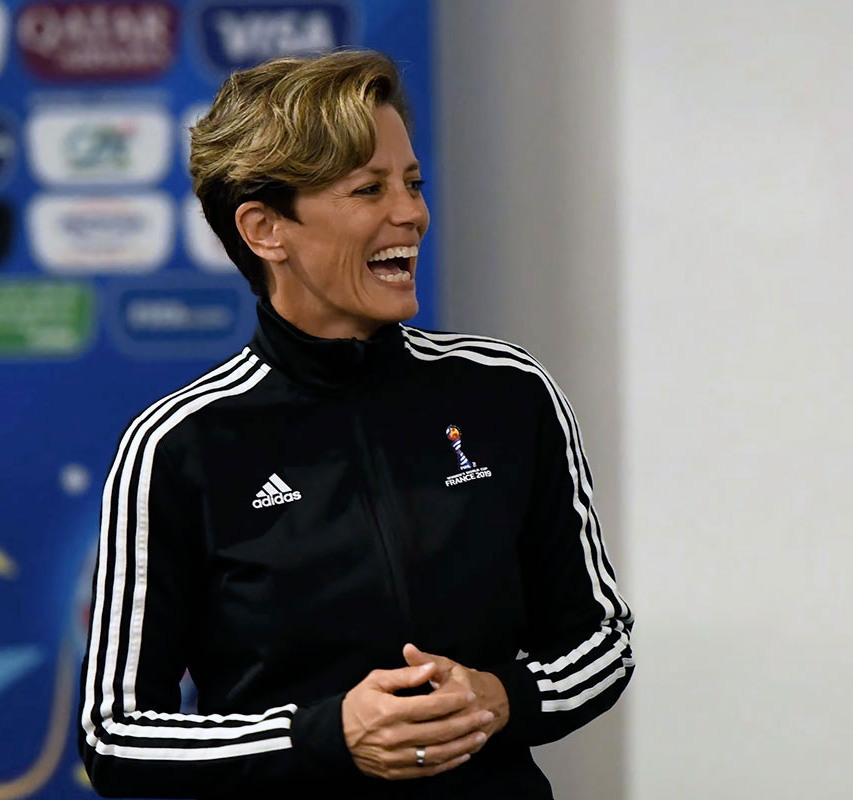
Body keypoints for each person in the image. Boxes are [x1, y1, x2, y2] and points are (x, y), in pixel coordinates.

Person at [77, 49, 633, 799]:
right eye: (368, 189)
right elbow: (116, 735)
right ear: (265, 229)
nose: (410, 214)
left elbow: (602, 641)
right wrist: (327, 735)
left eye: (412, 183)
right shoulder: (180, 445)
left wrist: (505, 698)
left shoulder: (508, 392)